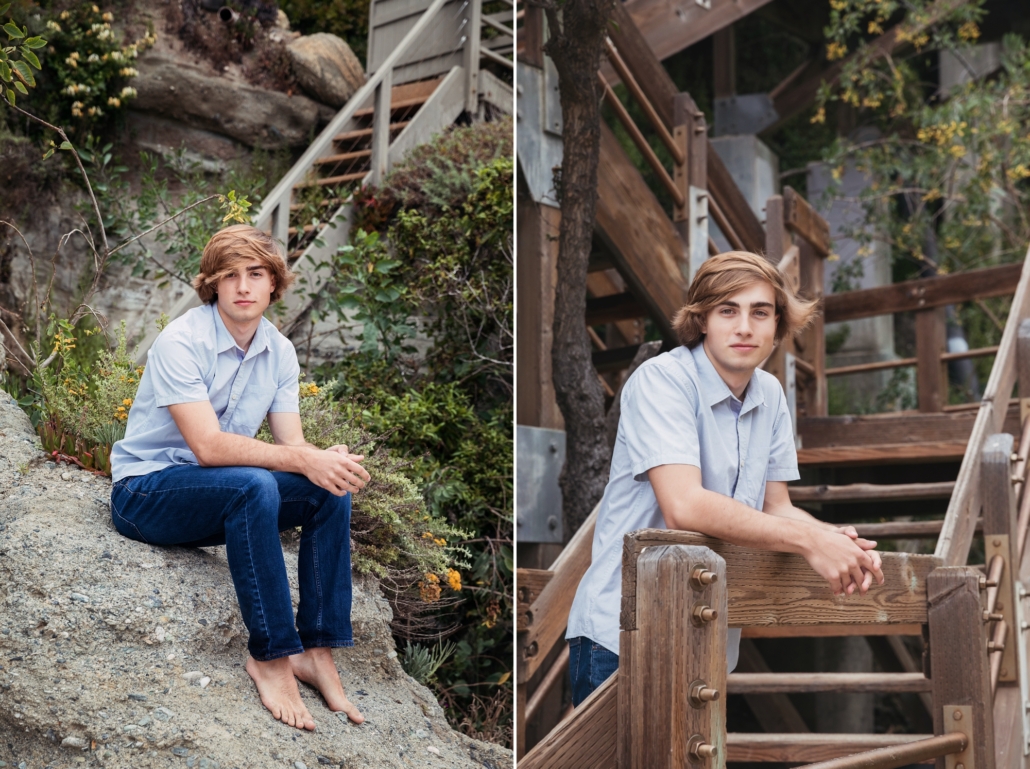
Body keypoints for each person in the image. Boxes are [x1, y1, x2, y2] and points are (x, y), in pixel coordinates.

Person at [565, 250, 884, 706]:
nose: (744, 327)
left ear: (778, 324)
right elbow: (685, 505)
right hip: (625, 633)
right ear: (702, 321)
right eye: (727, 310)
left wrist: (837, 540)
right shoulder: (663, 380)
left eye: (760, 312)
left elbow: (777, 506)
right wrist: (810, 543)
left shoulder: (770, 393)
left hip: (706, 633)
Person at [110, 224, 370, 731]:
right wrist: (300, 459)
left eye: (256, 274)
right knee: (255, 484)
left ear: (274, 283)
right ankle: (270, 656)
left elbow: (291, 449)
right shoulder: (181, 340)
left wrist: (322, 459)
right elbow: (208, 448)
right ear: (213, 285)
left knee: (327, 490)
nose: (244, 286)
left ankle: (314, 651)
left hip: (220, 499)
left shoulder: (280, 352)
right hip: (146, 494)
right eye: (230, 276)